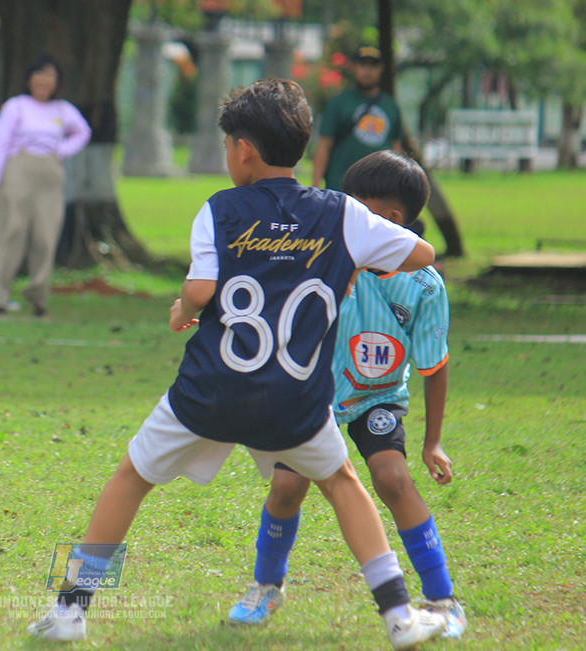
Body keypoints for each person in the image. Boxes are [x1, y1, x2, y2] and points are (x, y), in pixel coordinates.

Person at [27, 79, 446, 649]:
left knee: (131, 478)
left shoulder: (219, 210)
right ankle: (399, 618)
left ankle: (71, 609)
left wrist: (182, 310)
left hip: (210, 391)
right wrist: (360, 262)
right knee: (344, 483)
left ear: (243, 149)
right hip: (294, 401)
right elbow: (423, 254)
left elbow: (201, 289)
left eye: (227, 146)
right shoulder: (342, 213)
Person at [228, 150, 466, 638]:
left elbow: (435, 365)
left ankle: (443, 599)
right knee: (287, 487)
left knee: (392, 479)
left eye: (354, 212)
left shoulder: (422, 283)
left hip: (377, 398)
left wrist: (433, 441)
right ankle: (266, 586)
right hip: (312, 395)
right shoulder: (326, 256)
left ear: (389, 221)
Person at [0, 55, 91, 317]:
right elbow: (1, 144)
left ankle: (38, 296)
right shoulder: (16, 106)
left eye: (50, 75)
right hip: (18, 171)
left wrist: (61, 150)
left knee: (45, 236)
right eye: (39, 74)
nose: (44, 81)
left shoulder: (63, 110)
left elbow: (83, 132)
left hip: (50, 176)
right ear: (29, 79)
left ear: (57, 82)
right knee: (11, 231)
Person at [312, 46, 403, 192]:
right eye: (363, 65)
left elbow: (396, 147)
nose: (368, 71)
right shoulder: (339, 103)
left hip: (379, 190)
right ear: (354, 67)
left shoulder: (391, 105)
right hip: (341, 187)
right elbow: (324, 145)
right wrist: (315, 186)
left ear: (381, 68)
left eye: (373, 66)